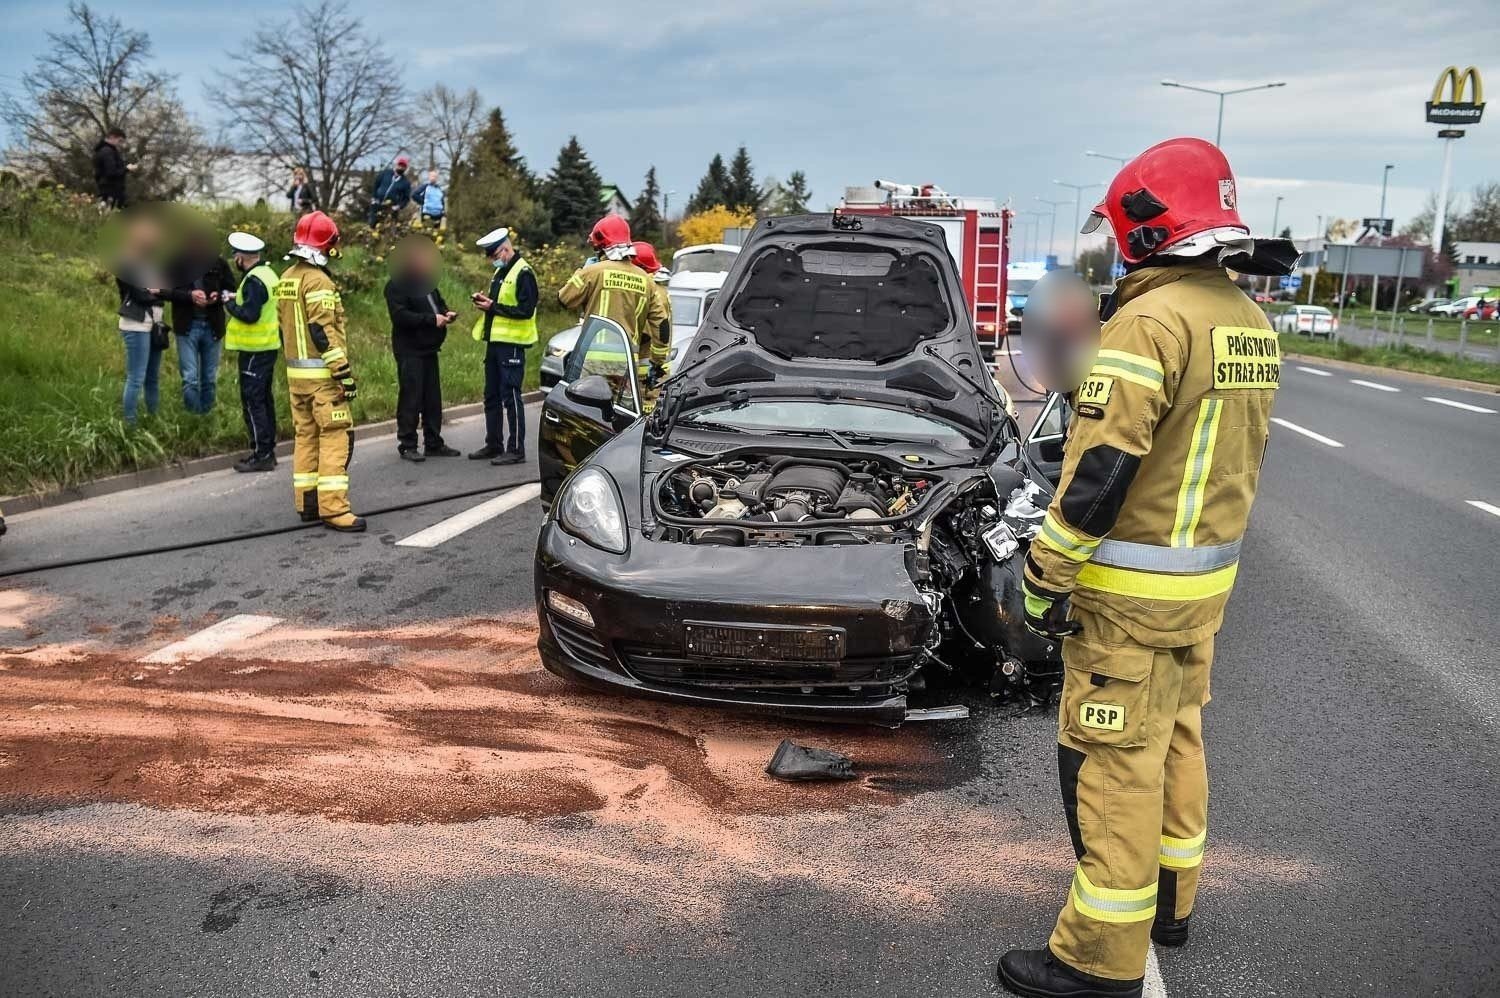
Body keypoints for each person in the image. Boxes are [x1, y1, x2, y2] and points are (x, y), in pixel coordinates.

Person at [997, 137, 1299, 998]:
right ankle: (1171, 903)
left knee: (1112, 759)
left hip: (1128, 599)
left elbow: (1099, 472)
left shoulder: (1150, 321)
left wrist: (1043, 579)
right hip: (1198, 590)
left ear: (1148, 226)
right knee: (1174, 739)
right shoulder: (1245, 320)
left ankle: (1098, 958)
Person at [276, 211, 364, 532]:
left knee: (306, 437)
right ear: (326, 247)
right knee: (335, 438)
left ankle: (307, 503)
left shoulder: (286, 278)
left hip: (296, 379)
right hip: (323, 381)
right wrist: (344, 374)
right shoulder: (319, 282)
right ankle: (334, 509)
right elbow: (322, 331)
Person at [558, 216, 669, 387]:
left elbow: (564, 299)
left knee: (585, 409)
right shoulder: (646, 280)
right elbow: (661, 325)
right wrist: (657, 361)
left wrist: (583, 271)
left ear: (601, 246)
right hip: (627, 363)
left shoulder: (592, 272)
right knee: (622, 412)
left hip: (591, 360)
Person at [384, 235, 459, 462]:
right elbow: (401, 317)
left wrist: (446, 314)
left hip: (430, 348)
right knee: (411, 397)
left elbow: (438, 302)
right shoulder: (396, 286)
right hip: (410, 350)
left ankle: (434, 442)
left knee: (432, 398)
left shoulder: (426, 283)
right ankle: (407, 444)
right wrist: (430, 320)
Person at [468, 227, 538, 465]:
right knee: (492, 395)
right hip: (495, 344)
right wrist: (486, 303)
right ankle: (494, 443)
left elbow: (526, 310)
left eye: (494, 255)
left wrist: (493, 307)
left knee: (511, 396)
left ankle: (516, 448)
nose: (492, 260)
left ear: (506, 249)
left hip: (513, 345)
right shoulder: (501, 272)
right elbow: (499, 303)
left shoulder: (524, 272)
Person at [222, 232, 281, 472]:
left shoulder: (254, 280)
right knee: (264, 400)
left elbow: (250, 314)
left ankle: (262, 453)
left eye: (235, 255)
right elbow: (262, 302)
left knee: (253, 401)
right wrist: (239, 296)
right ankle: (268, 449)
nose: (234, 259)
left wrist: (229, 303)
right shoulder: (267, 273)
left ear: (240, 257)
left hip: (255, 350)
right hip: (267, 346)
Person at [163, 227, 235, 414]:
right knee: (190, 378)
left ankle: (206, 416)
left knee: (209, 379)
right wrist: (189, 296)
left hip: (213, 326)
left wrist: (217, 296)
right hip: (187, 326)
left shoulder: (218, 264)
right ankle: (194, 416)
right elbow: (164, 291)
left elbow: (231, 290)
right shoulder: (176, 264)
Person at [113, 212, 167, 425]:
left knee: (153, 377)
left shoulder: (151, 262)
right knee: (136, 377)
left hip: (155, 321)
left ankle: (154, 422)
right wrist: (156, 290)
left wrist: (158, 290)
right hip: (135, 322)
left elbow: (163, 289)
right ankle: (130, 424)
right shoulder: (126, 262)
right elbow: (139, 294)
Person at [631, 240, 674, 411]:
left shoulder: (651, 291)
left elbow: (648, 333)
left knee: (645, 416)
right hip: (656, 367)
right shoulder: (660, 289)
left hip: (648, 369)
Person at [92, 127, 133, 209]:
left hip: (105, 189)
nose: (120, 144)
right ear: (112, 137)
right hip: (111, 191)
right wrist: (127, 169)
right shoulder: (107, 152)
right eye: (120, 141)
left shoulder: (102, 151)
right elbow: (111, 172)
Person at [367, 155, 412, 226]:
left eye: (403, 166)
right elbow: (376, 185)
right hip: (377, 204)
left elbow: (406, 198)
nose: (401, 167)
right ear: (396, 165)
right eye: (399, 165)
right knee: (372, 224)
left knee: (387, 227)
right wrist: (374, 198)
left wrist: (398, 206)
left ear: (405, 168)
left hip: (391, 208)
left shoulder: (405, 183)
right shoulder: (385, 173)